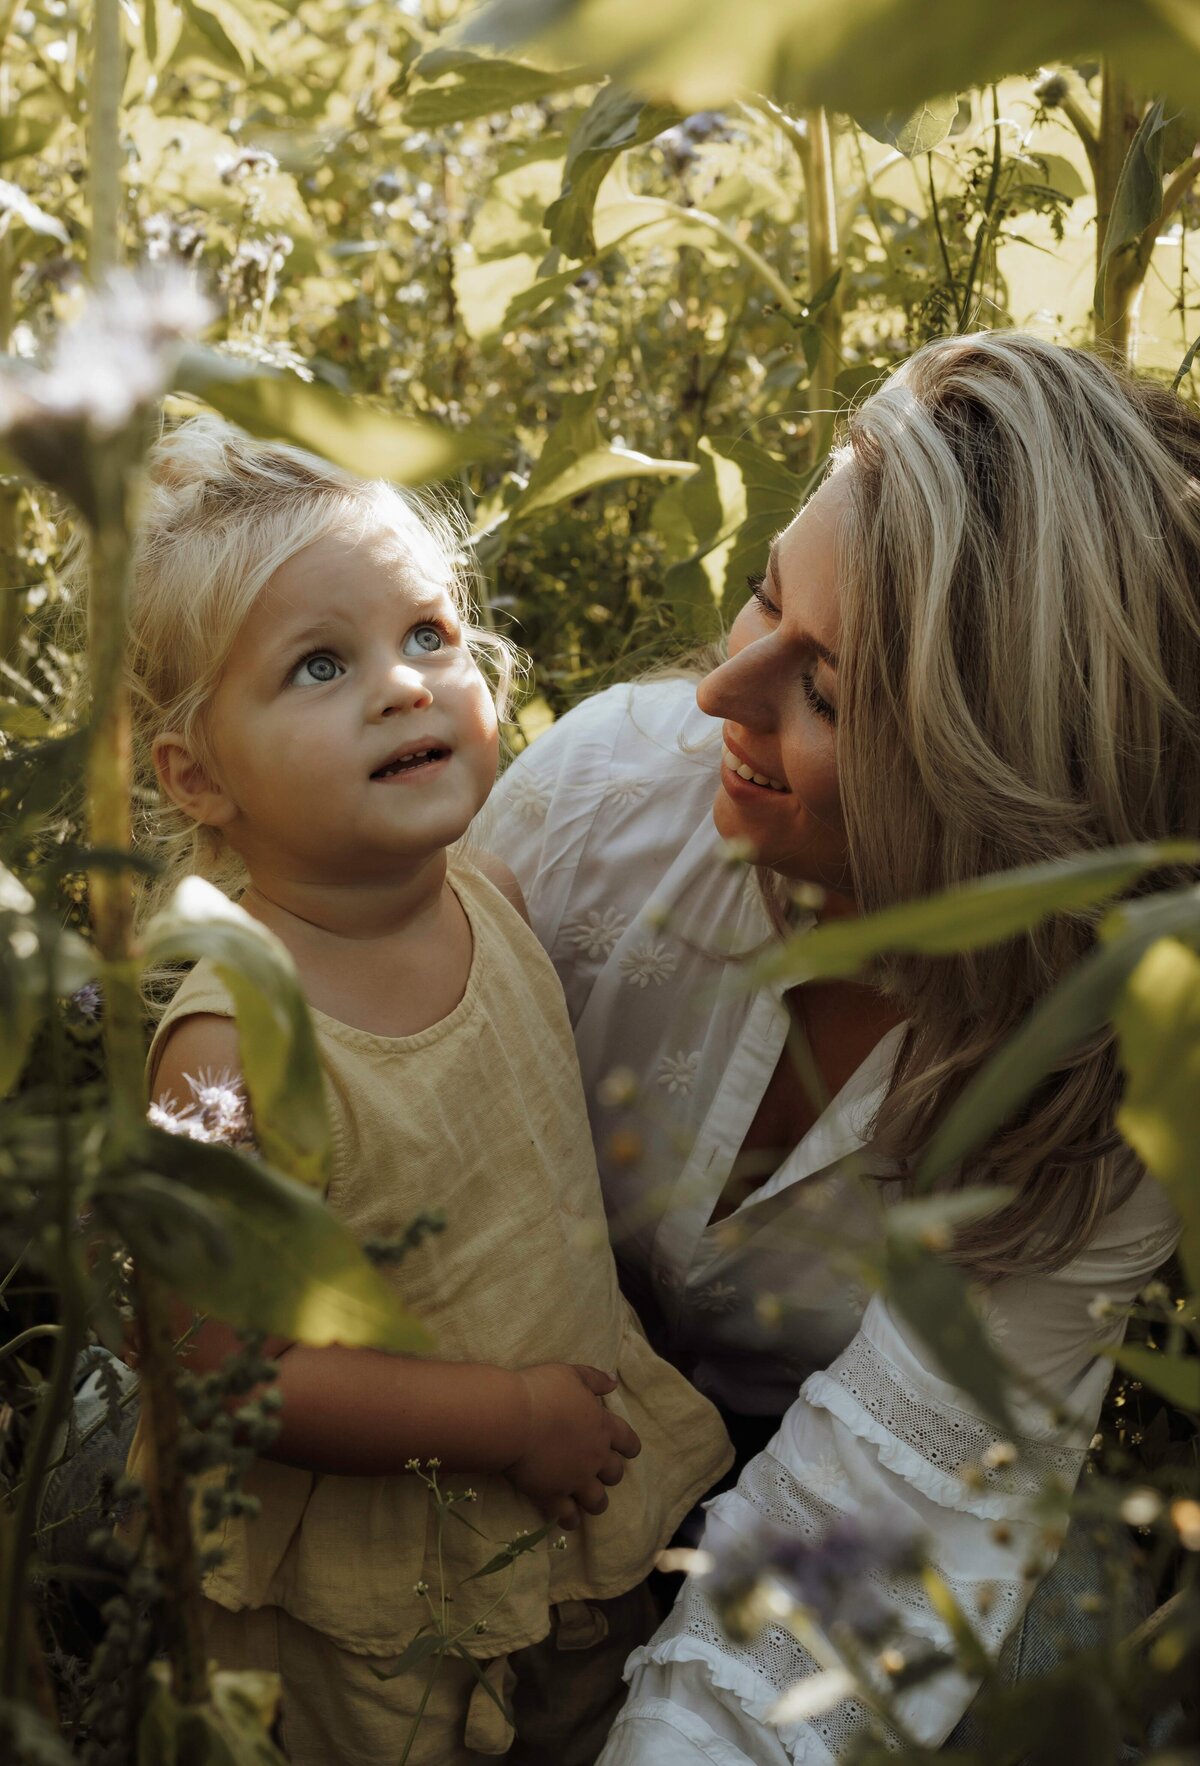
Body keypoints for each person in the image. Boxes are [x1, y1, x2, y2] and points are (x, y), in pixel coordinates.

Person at [483, 332, 1192, 1761]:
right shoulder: (596, 816)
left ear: (999, 790)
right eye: (762, 594)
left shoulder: (1100, 1077)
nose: (719, 692)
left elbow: (885, 1502)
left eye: (827, 692)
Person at [116, 415, 733, 1766]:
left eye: (429, 636)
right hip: (378, 1614)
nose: (402, 686)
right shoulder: (225, 1046)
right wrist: (505, 1417)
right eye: (321, 664)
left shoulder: (497, 900)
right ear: (197, 773)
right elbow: (219, 1368)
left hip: (574, 1517)